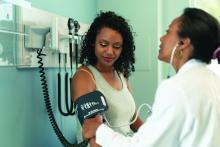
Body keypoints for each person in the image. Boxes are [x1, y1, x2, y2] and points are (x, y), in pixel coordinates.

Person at [82, 7, 220, 147]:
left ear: (183, 43)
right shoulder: (213, 79)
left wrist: (100, 131)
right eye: (104, 44)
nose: (161, 37)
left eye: (168, 32)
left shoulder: (177, 87)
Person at [71, 11, 143, 147]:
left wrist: (157, 138)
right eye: (103, 44)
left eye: (116, 46)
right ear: (93, 43)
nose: (110, 51)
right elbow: (92, 131)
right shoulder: (84, 77)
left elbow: (133, 120)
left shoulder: (122, 76)